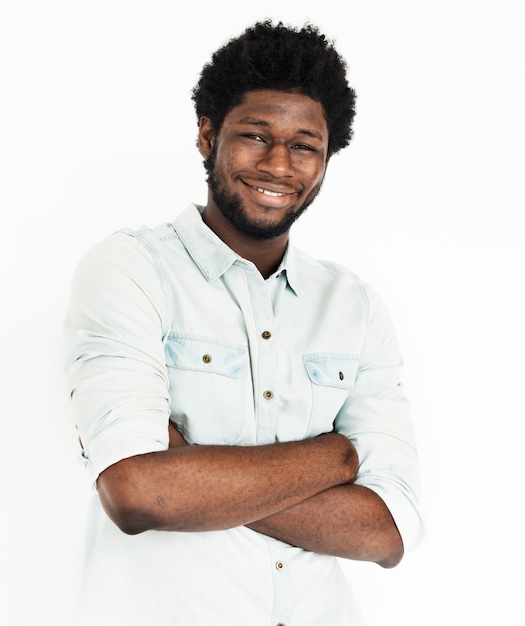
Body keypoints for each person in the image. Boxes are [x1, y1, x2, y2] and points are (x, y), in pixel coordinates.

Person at [64, 20, 424, 626]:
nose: (279, 164)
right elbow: (135, 494)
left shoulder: (353, 306)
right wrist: (335, 459)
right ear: (208, 137)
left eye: (304, 145)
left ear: (327, 158)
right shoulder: (132, 269)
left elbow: (386, 530)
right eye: (255, 135)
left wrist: (193, 470)